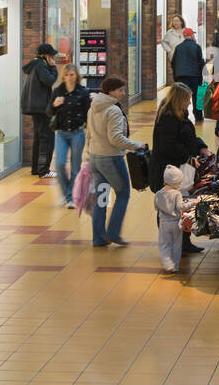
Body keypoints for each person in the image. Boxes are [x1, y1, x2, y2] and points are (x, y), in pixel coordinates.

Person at [85, 76, 147, 248]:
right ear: (110, 91)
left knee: (101, 198)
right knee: (123, 194)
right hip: (111, 159)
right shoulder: (113, 110)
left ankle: (98, 238)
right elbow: (116, 139)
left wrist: (87, 155)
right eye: (120, 90)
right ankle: (113, 232)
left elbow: (88, 134)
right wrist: (137, 145)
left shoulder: (93, 108)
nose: (123, 93)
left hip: (95, 159)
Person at [150, 83, 208, 256]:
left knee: (181, 207)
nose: (190, 103)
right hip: (169, 171)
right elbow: (168, 146)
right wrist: (188, 157)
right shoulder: (168, 118)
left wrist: (201, 147)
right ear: (179, 99)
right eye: (188, 99)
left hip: (180, 170)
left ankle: (183, 242)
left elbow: (188, 138)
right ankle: (171, 244)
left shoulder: (179, 114)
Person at [48, 64, 91, 208]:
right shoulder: (57, 91)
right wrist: (54, 105)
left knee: (75, 167)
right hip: (61, 133)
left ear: (77, 76)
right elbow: (48, 112)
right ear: (63, 76)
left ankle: (71, 196)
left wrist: (90, 135)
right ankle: (66, 192)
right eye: (67, 75)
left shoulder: (83, 92)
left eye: (72, 75)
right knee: (59, 164)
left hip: (77, 133)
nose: (69, 78)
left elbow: (88, 115)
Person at [22, 44, 59, 176]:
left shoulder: (35, 65)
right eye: (51, 56)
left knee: (39, 137)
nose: (53, 58)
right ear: (44, 56)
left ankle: (36, 168)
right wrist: (53, 68)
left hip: (35, 106)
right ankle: (44, 170)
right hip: (41, 107)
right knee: (47, 138)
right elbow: (49, 80)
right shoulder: (41, 65)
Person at [155, 165, 194, 274]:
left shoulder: (158, 194)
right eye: (179, 182)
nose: (180, 184)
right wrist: (193, 203)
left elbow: (156, 208)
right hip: (176, 223)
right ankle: (175, 266)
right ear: (174, 182)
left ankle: (168, 264)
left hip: (163, 223)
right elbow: (181, 207)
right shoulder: (177, 194)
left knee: (164, 244)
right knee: (177, 245)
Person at [170, 28, 206, 122]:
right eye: (193, 34)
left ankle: (182, 115)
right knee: (196, 96)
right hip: (195, 76)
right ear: (191, 35)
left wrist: (175, 76)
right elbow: (201, 62)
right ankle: (198, 116)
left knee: (182, 96)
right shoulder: (197, 47)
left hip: (181, 76)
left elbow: (173, 63)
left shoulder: (178, 47)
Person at [159, 14, 186, 81]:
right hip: (174, 57)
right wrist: (169, 51)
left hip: (186, 57)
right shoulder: (170, 32)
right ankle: (178, 88)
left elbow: (193, 42)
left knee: (185, 75)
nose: (175, 23)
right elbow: (163, 42)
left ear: (181, 22)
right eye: (173, 21)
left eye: (177, 21)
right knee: (176, 75)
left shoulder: (186, 31)